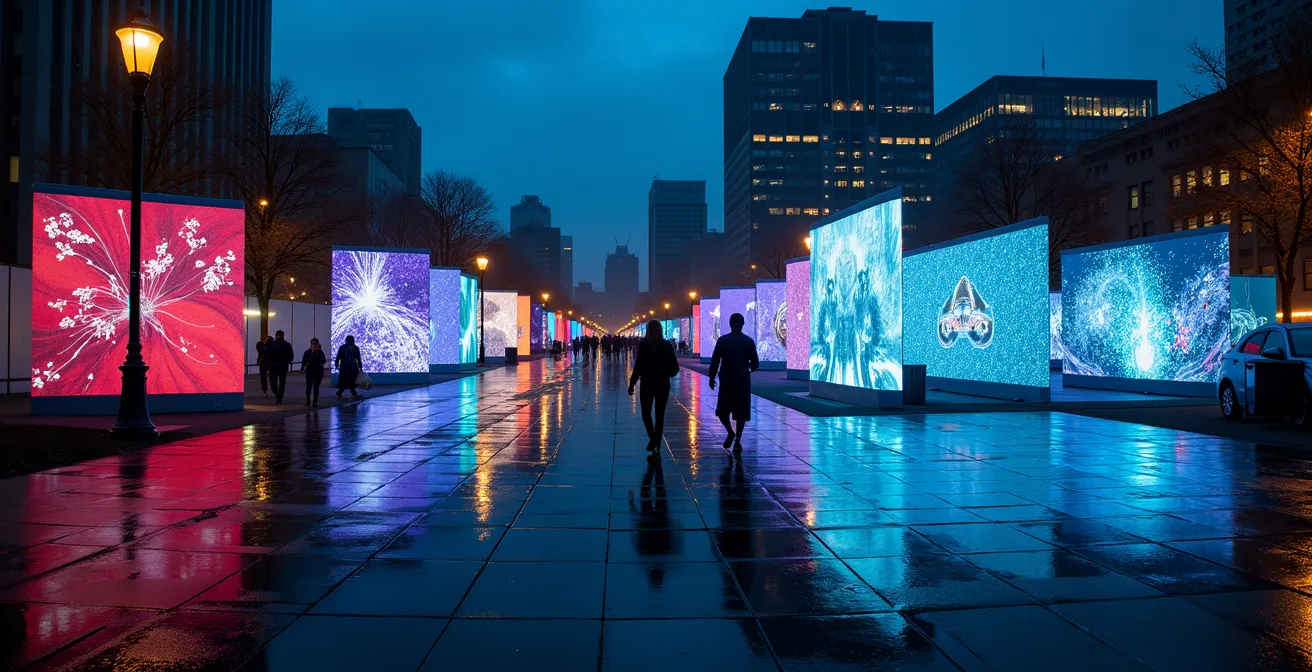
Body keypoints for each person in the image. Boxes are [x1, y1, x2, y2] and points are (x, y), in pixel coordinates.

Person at [708, 312, 759, 453]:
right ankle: (737, 439)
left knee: (722, 411)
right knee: (741, 413)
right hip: (742, 381)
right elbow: (755, 363)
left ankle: (730, 432)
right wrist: (746, 369)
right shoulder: (748, 341)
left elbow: (715, 360)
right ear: (743, 324)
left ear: (730, 324)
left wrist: (712, 377)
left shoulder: (723, 340)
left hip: (726, 381)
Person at [628, 320, 680, 454]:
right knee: (659, 414)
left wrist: (632, 384)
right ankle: (657, 440)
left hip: (647, 383)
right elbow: (675, 367)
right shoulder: (667, 345)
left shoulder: (643, 345)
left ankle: (653, 438)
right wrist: (666, 374)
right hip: (663, 384)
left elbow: (638, 366)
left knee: (646, 414)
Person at [263, 330, 295, 404]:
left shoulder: (271, 344)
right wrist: (287, 361)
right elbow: (291, 357)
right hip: (283, 366)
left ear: (276, 336)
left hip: (273, 366)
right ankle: (280, 396)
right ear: (283, 336)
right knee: (282, 382)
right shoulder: (287, 345)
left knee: (273, 381)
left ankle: (276, 394)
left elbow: (265, 355)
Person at [335, 335, 363, 400]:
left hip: (345, 367)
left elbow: (338, 356)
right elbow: (358, 358)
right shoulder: (356, 348)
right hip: (352, 367)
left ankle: (341, 392)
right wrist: (360, 366)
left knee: (344, 380)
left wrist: (336, 364)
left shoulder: (342, 347)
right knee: (351, 380)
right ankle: (352, 393)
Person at [301, 337, 327, 407]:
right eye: (313, 344)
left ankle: (315, 401)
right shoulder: (307, 352)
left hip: (318, 372)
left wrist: (318, 353)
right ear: (311, 344)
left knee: (316, 387)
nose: (314, 345)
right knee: (309, 387)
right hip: (310, 372)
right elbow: (304, 361)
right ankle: (308, 400)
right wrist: (302, 369)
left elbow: (323, 361)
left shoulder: (320, 352)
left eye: (315, 344)